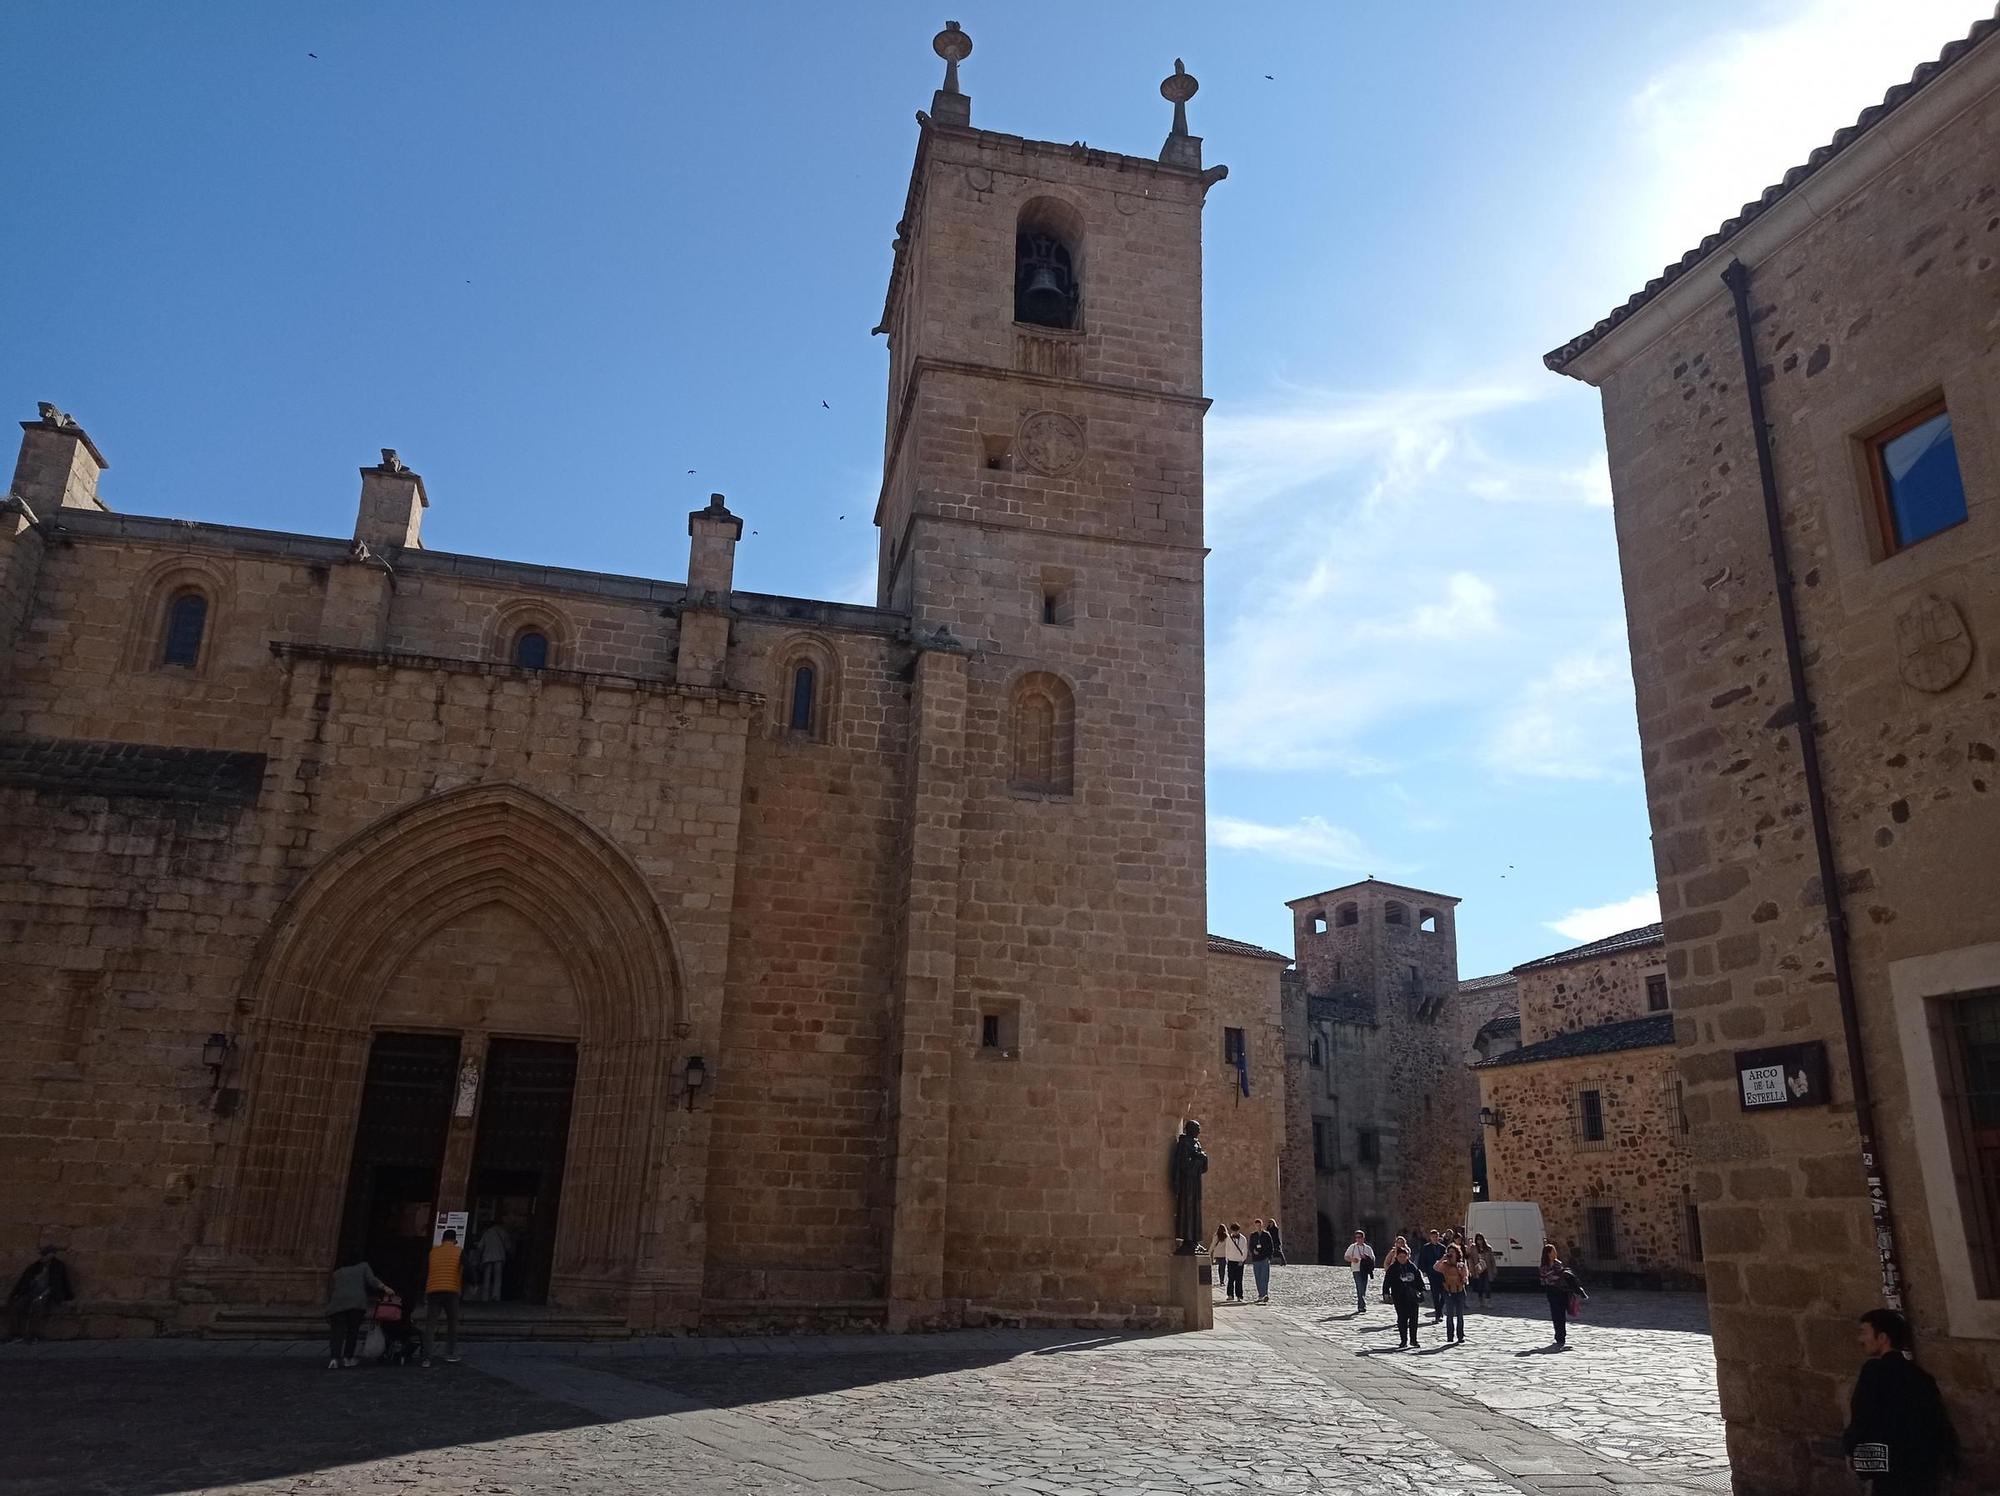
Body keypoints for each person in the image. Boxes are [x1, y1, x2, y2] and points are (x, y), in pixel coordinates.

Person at [1842, 1308, 1957, 1495]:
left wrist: (1850, 1449)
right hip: (1922, 1467)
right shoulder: (1921, 1377)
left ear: (1882, 1337)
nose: (1860, 1339)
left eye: (1864, 1333)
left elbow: (1863, 1416)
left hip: (1890, 1468)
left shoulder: (1874, 1372)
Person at [323, 1254, 387, 1369]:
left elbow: (330, 1291)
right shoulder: (363, 1266)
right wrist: (384, 1287)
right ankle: (348, 1358)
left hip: (337, 1304)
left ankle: (334, 1359)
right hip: (356, 1303)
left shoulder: (337, 1273)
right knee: (353, 1331)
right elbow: (372, 1280)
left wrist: (328, 1309)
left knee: (337, 1332)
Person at [4, 1246, 74, 1343]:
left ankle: (33, 1335)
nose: (42, 1257)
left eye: (45, 1255)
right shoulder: (35, 1266)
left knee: (37, 1307)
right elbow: (24, 1281)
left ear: (51, 1255)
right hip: (31, 1292)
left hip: (47, 1292)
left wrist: (64, 1297)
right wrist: (16, 1294)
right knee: (17, 1306)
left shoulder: (58, 1266)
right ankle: (15, 1334)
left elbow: (60, 1283)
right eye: (42, 1254)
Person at [421, 1228, 464, 1367]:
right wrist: (473, 1283)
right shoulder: (459, 1251)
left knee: (430, 1325)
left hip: (433, 1290)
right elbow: (468, 1268)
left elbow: (425, 1271)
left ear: (442, 1239)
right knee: (452, 1323)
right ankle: (450, 1353)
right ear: (455, 1240)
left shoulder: (433, 1252)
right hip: (451, 1290)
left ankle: (427, 1357)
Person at [1382, 1244, 1426, 1349]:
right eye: (1400, 1256)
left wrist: (1421, 1290)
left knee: (1413, 1319)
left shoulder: (1412, 1267)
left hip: (1412, 1297)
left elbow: (1419, 1280)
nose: (1402, 1258)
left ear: (1407, 1256)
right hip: (1399, 1296)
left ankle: (1413, 1340)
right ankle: (1403, 1340)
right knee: (1402, 1318)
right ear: (1397, 1257)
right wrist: (1386, 1293)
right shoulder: (1393, 1268)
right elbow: (1387, 1281)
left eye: (1404, 1256)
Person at [1539, 1242, 1582, 1349]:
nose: (1555, 1253)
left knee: (1562, 1314)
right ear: (1548, 1253)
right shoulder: (1544, 1266)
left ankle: (1562, 1335)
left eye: (1555, 1251)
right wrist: (1554, 1276)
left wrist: (1556, 1276)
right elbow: (1544, 1279)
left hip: (1562, 1291)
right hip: (1551, 1291)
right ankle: (1558, 1336)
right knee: (1556, 1314)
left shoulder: (1558, 1263)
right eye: (1552, 1251)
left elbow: (1561, 1276)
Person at [1438, 1242, 1470, 1344]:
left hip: (1459, 1291)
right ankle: (1450, 1336)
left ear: (1457, 1253)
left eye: (1453, 1252)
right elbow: (1435, 1267)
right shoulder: (1444, 1265)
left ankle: (1460, 1336)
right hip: (1449, 1291)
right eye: (1449, 1252)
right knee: (1450, 1315)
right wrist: (1443, 1258)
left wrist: (1464, 1277)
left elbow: (1465, 1276)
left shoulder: (1461, 1265)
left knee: (1460, 1315)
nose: (1451, 1254)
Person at [474, 1220, 511, 1303]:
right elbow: (508, 1246)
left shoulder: (487, 1232)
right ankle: (496, 1296)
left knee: (486, 1279)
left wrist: (477, 1259)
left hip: (487, 1258)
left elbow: (480, 1247)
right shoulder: (503, 1232)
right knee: (498, 1279)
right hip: (499, 1257)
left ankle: (485, 1298)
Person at [1342, 1230, 1376, 1313]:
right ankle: (1361, 1306)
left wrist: (1366, 1258)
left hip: (1365, 1270)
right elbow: (1346, 1257)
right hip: (1356, 1269)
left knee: (1363, 1287)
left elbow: (1372, 1258)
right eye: (1357, 1237)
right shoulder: (1352, 1247)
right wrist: (1352, 1259)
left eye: (1360, 1237)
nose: (1358, 1239)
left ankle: (1361, 1303)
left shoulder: (1368, 1248)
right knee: (1359, 1286)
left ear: (1363, 1238)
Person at [1417, 1229, 1447, 1320]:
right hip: (1432, 1273)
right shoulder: (1426, 1248)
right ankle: (1438, 1314)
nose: (1435, 1238)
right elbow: (1422, 1259)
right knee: (1435, 1293)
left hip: (1442, 1273)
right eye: (1433, 1237)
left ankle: (1440, 1309)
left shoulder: (1442, 1247)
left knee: (1444, 1293)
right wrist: (1424, 1270)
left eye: (1436, 1237)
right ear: (1430, 1237)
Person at [1217, 1222, 1249, 1302]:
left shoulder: (1243, 1239)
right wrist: (1227, 1259)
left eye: (1236, 1231)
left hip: (1239, 1261)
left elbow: (1245, 1250)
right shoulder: (1229, 1238)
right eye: (1233, 1231)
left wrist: (1242, 1260)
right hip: (1231, 1260)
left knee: (1239, 1279)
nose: (1235, 1232)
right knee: (1231, 1279)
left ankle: (1239, 1296)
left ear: (1238, 1230)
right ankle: (1230, 1295)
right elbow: (1227, 1249)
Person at [1247, 1219, 1275, 1304]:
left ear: (1261, 1225)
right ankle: (1260, 1294)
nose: (1258, 1227)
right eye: (1256, 1225)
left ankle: (1265, 1294)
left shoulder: (1266, 1235)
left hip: (1264, 1259)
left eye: (1259, 1225)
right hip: (1256, 1259)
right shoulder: (1253, 1235)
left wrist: (1269, 1257)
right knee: (1258, 1277)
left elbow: (1271, 1246)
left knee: (1264, 1277)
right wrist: (1253, 1251)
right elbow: (1250, 1246)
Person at [1469, 1232, 1497, 1310]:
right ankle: (1481, 1301)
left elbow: (1492, 1260)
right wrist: (1472, 1269)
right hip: (1478, 1269)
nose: (1479, 1241)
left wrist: (1494, 1269)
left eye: (1480, 1239)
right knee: (1480, 1286)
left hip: (1487, 1269)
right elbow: (1471, 1259)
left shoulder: (1488, 1248)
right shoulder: (1473, 1248)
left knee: (1487, 1286)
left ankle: (1488, 1301)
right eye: (1478, 1239)